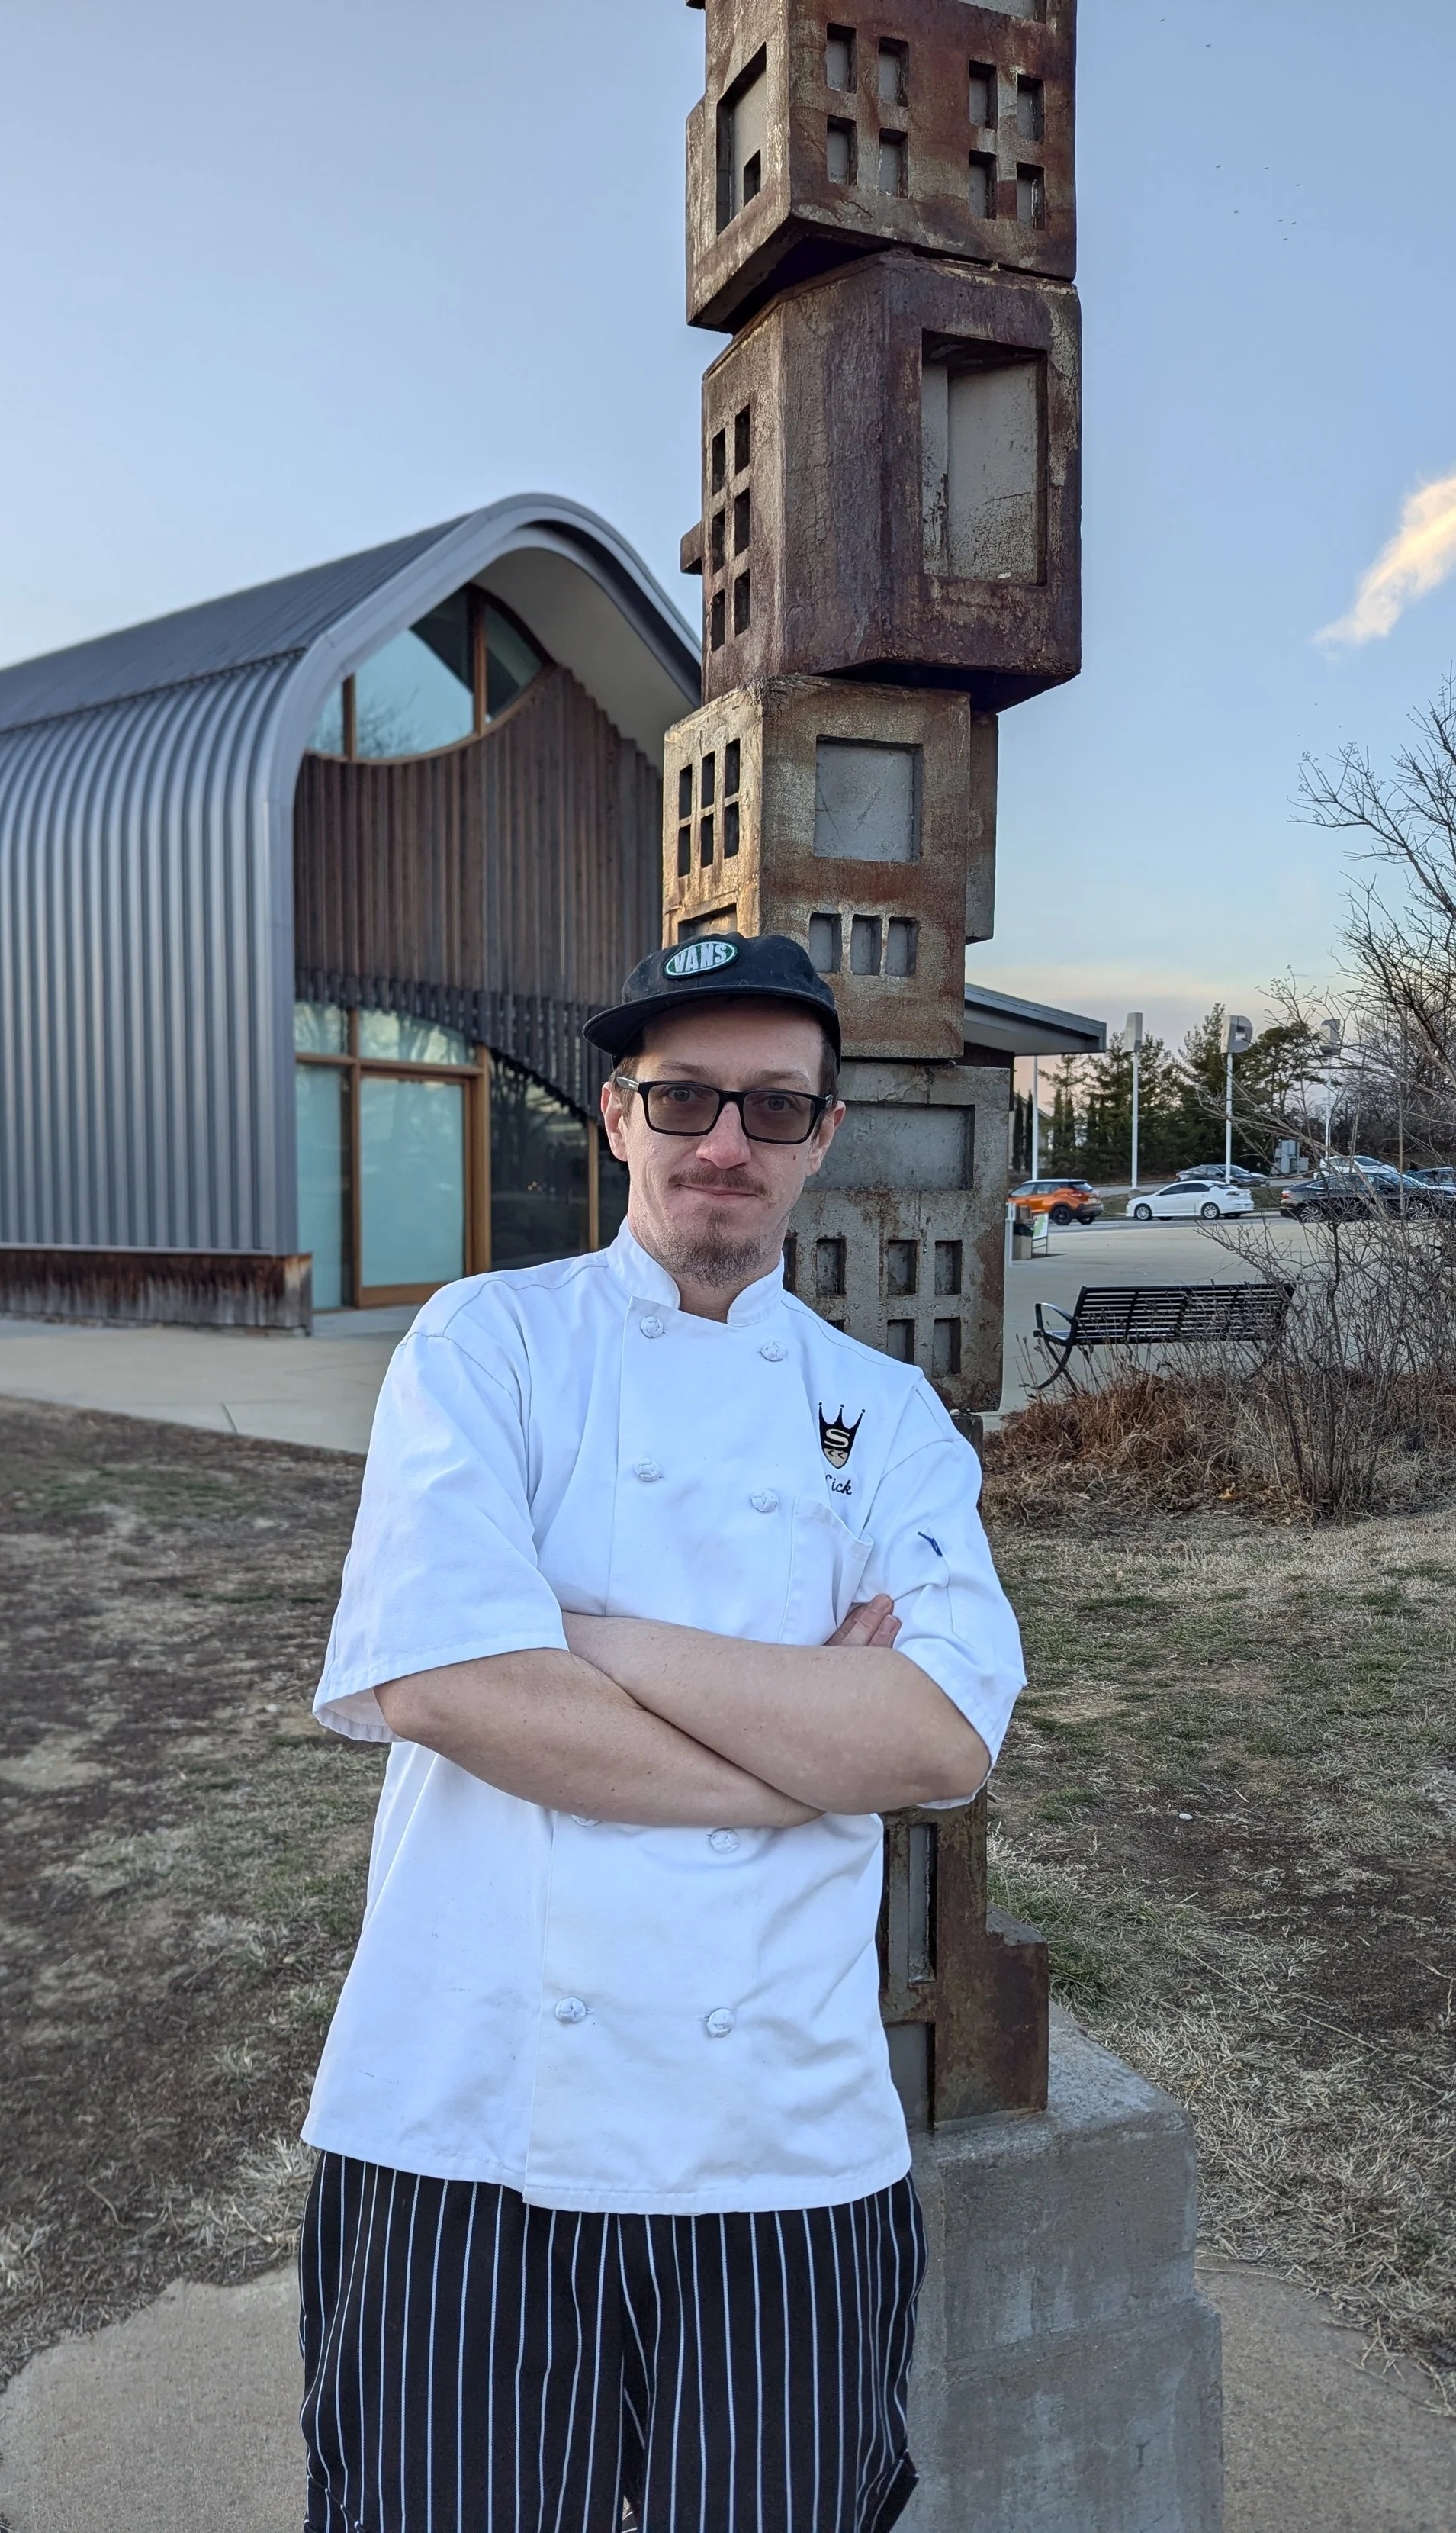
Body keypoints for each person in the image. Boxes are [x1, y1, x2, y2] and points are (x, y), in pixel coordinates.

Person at [297, 932, 1026, 2533]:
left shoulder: (885, 1417)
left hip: (777, 2137)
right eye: (683, 1097)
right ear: (616, 1113)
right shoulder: (486, 1344)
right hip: (466, 2111)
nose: (723, 1142)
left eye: (772, 1108)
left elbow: (933, 1739)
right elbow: (443, 1687)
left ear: (822, 1135)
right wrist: (792, 1753)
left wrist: (576, 1631)